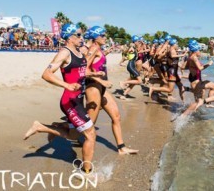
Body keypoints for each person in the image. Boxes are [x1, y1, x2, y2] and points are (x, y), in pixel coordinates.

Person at [23, 24, 103, 173]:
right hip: (70, 101)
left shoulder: (78, 51)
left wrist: (93, 74)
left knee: (73, 134)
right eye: (78, 35)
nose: (82, 38)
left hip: (78, 99)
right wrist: (65, 85)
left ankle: (40, 127)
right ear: (70, 37)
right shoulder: (64, 53)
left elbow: (79, 73)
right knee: (91, 134)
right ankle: (86, 172)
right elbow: (46, 74)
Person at [84, 26, 138, 155]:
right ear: (95, 37)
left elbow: (97, 63)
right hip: (93, 88)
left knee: (116, 116)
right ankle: (53, 129)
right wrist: (101, 80)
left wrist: (107, 53)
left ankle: (121, 148)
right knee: (89, 124)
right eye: (102, 35)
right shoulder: (93, 49)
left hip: (101, 89)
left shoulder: (99, 49)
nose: (105, 38)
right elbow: (83, 70)